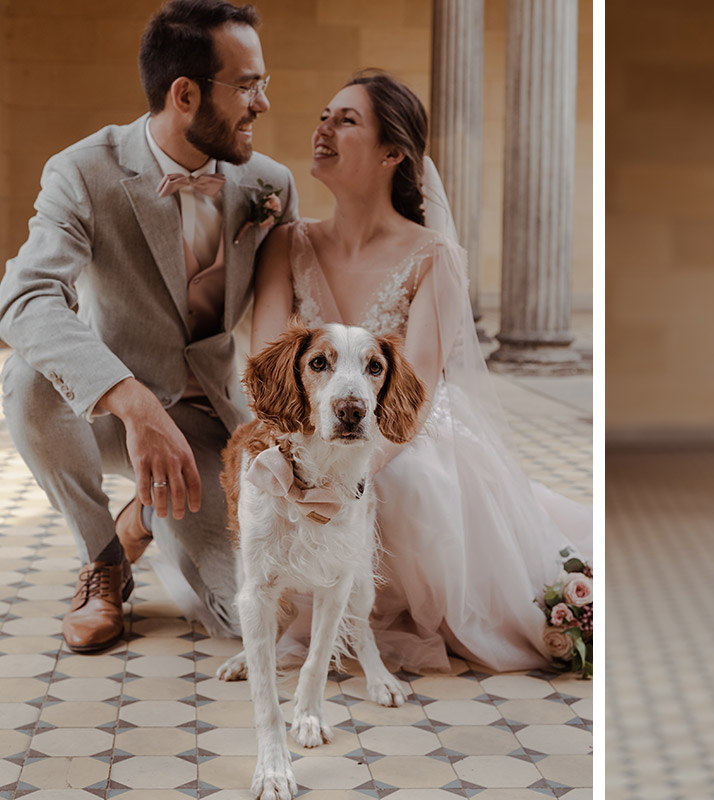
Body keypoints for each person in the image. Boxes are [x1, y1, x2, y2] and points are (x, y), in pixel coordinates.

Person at [249, 71, 592, 673]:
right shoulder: (287, 243)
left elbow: (421, 390)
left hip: (404, 430)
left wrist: (349, 477)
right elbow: (268, 375)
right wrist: (300, 462)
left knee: (408, 486)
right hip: (307, 431)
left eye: (345, 120)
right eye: (324, 115)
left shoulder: (433, 255)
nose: (321, 129)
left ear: (392, 154)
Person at [0, 0, 297, 653]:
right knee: (25, 379)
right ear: (185, 94)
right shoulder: (84, 170)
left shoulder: (270, 185)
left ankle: (145, 519)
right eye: (248, 86)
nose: (263, 104)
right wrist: (129, 400)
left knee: (259, 619)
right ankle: (104, 560)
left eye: (263, 84)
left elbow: (286, 328)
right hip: (113, 414)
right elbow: (23, 297)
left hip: (211, 422)